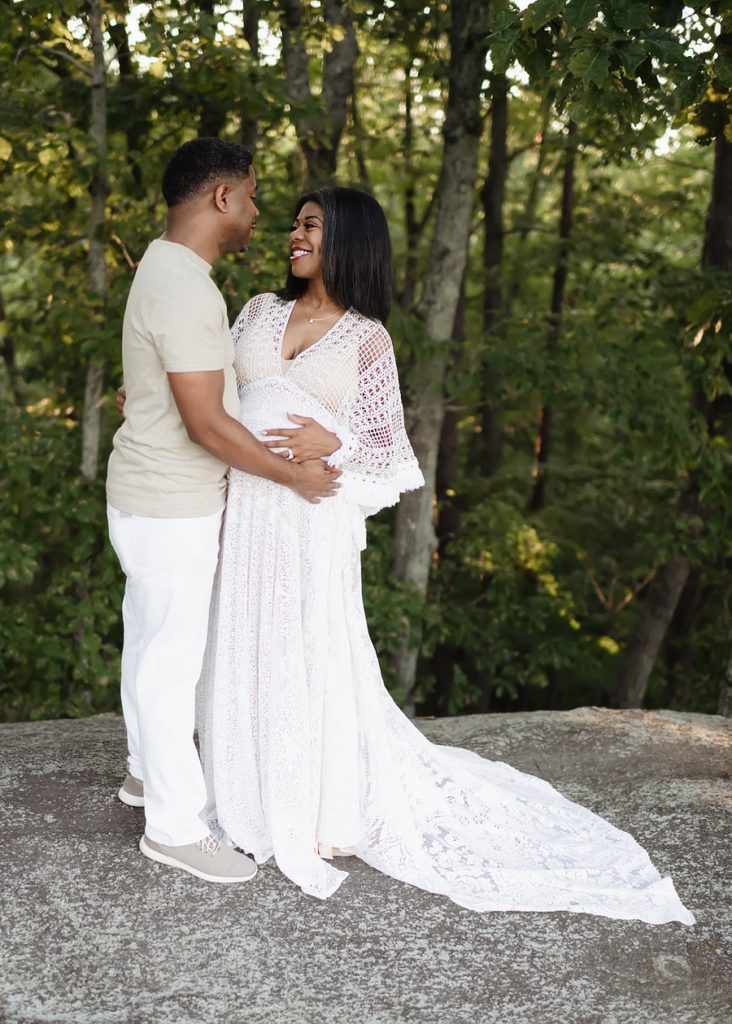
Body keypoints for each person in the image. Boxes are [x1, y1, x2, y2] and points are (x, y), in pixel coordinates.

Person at [198, 187, 695, 924]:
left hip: (311, 521)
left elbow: (389, 454)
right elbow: (215, 401)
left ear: (349, 243)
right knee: (241, 640)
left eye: (310, 226)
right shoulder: (258, 313)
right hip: (247, 510)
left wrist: (332, 442)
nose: (293, 235)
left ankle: (316, 806)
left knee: (309, 650)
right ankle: (239, 783)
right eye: (296, 224)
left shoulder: (367, 338)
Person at [106, 139, 340, 885]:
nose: (259, 211)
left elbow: (171, 393)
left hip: (148, 492)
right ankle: (174, 827)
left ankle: (146, 772)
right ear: (221, 198)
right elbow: (207, 424)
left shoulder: (167, 269)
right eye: (252, 194)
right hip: (170, 501)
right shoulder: (183, 286)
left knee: (148, 642)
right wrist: (290, 475)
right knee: (169, 663)